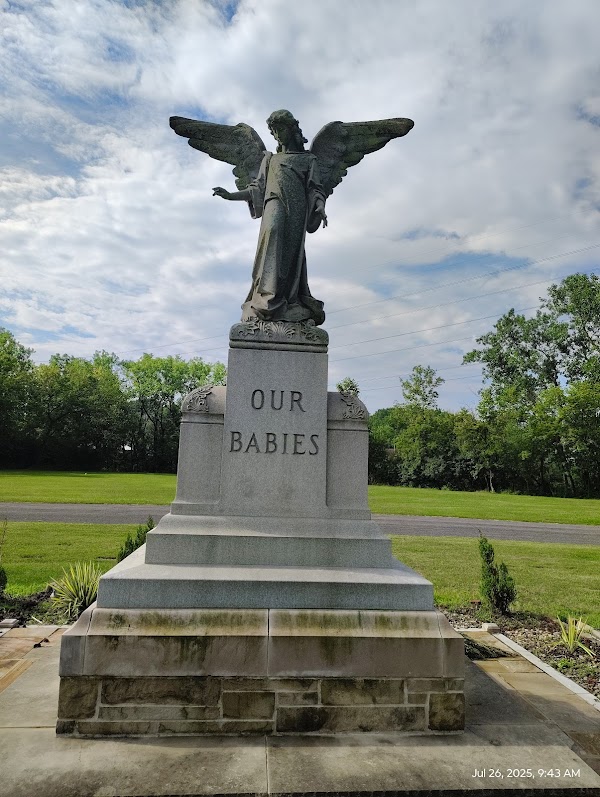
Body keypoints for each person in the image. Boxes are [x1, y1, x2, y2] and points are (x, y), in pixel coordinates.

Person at [212, 110, 328, 325]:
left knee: (291, 254)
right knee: (271, 240)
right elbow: (257, 189)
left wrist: (319, 206)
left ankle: (289, 301)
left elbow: (315, 189)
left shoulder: (308, 160)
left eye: (281, 129)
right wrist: (231, 196)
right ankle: (265, 300)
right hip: (274, 204)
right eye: (274, 132)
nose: (277, 135)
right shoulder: (270, 159)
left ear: (292, 129)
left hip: (297, 211)